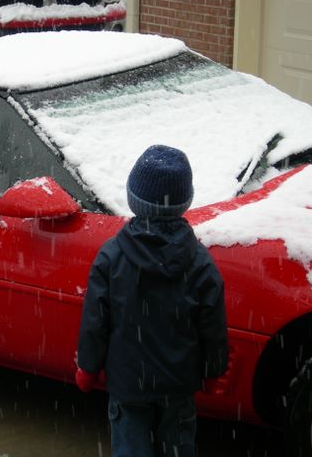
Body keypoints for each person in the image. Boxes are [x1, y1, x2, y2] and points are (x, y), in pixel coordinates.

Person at [75, 145, 228, 457]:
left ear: (134, 199)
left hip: (128, 384)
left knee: (131, 447)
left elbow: (95, 322)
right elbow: (212, 326)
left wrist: (88, 368)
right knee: (178, 447)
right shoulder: (199, 262)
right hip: (178, 385)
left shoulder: (112, 257)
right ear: (184, 202)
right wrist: (214, 370)